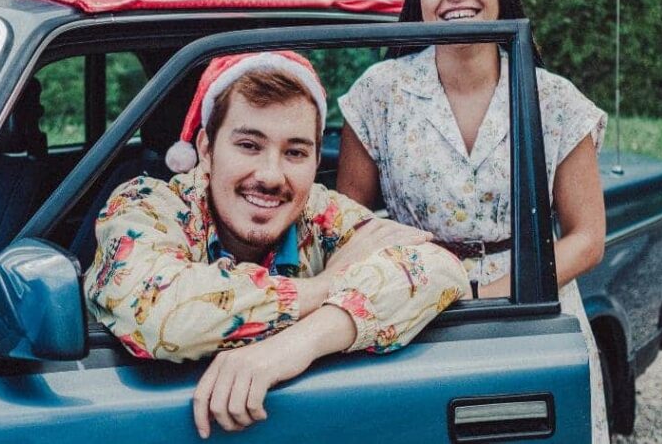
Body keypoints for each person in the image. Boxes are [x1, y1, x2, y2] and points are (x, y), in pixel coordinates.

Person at [84, 50, 469, 439]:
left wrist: (296, 345)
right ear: (206, 150)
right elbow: (162, 312)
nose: (270, 176)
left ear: (316, 162)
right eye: (249, 145)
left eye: (295, 153)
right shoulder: (144, 206)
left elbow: (438, 267)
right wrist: (324, 285)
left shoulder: (322, 212)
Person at [336, 0, 610, 442]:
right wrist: (415, 286)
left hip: (535, 307)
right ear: (418, 1)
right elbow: (350, 222)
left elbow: (587, 238)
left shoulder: (555, 98)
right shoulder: (377, 93)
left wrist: (496, 294)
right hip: (413, 304)